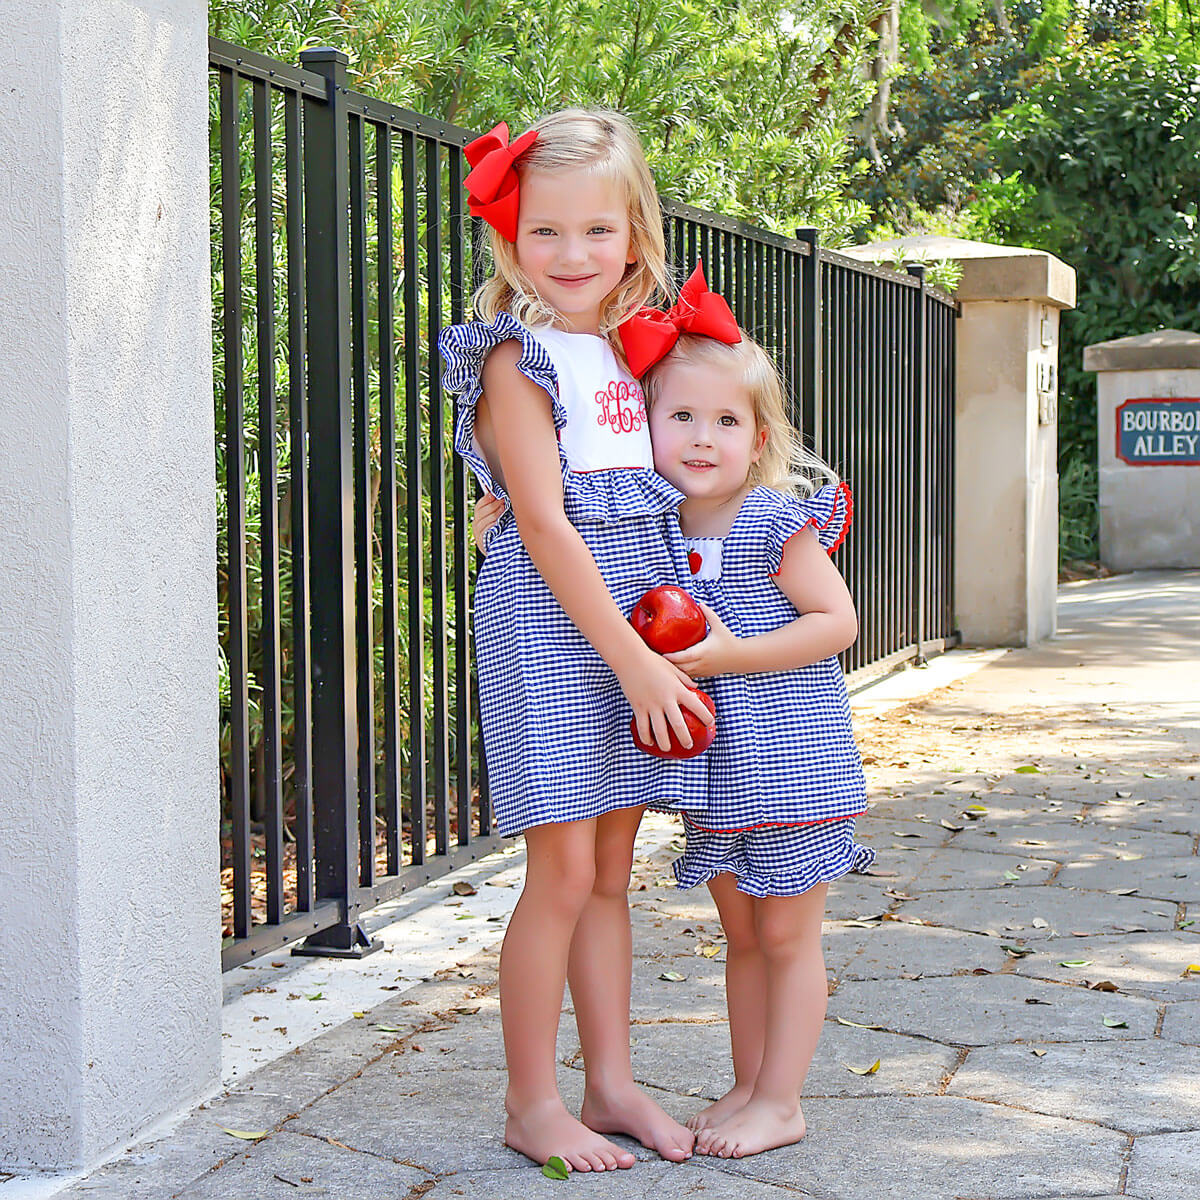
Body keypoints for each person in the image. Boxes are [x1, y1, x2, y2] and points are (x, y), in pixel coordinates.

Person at [476, 267, 875, 1160]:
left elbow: (837, 621)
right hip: (722, 778)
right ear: (640, 426)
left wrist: (730, 654)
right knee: (742, 933)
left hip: (789, 761)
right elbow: (557, 491)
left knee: (785, 931)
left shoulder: (774, 519)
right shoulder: (656, 523)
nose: (700, 438)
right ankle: (750, 1085)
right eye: (680, 418)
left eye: (726, 421)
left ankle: (782, 1097)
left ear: (760, 437)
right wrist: (500, 501)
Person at [439, 109, 715, 1173]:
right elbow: (547, 524)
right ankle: (529, 1101)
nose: (570, 256)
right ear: (511, 239)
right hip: (558, 624)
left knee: (611, 866)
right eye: (544, 233)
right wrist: (633, 659)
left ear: (635, 237)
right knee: (558, 871)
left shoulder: (622, 352)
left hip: (630, 614)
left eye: (595, 232)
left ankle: (610, 1084)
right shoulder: (517, 355)